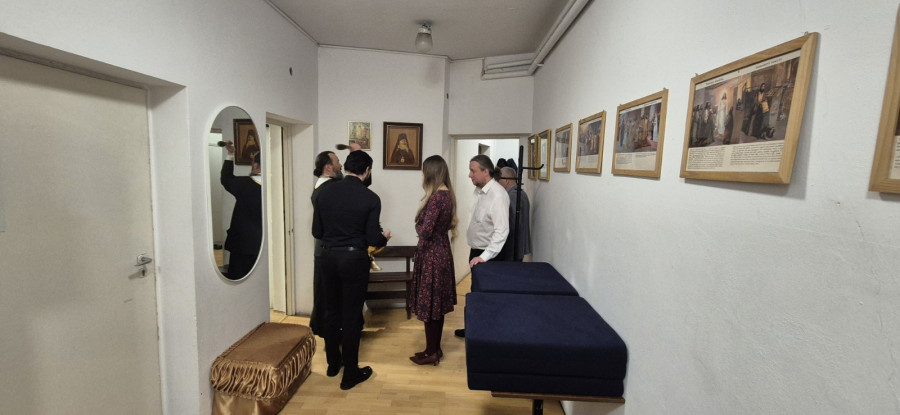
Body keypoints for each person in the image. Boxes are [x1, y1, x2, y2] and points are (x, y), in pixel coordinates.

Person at [312, 150, 391, 390]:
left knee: (331, 311)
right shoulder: (371, 198)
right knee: (351, 315)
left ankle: (332, 364)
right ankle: (350, 374)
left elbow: (317, 231)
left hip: (327, 258)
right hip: (353, 260)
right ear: (367, 171)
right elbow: (373, 238)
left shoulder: (323, 193)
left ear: (346, 168)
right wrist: (384, 238)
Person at [409, 155, 458, 365]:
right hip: (441, 251)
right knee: (435, 305)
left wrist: (417, 225)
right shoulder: (447, 195)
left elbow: (426, 231)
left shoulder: (437, 197)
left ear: (430, 173)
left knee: (430, 305)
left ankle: (431, 352)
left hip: (432, 255)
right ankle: (434, 349)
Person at [454, 155, 509, 338]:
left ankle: (487, 334)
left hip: (489, 256)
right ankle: (474, 329)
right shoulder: (480, 192)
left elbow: (501, 231)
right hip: (478, 251)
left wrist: (484, 257)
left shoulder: (498, 195)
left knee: (487, 296)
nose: (469, 175)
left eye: (473, 171)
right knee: (476, 293)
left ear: (486, 172)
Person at [309, 150, 344, 359]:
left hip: (325, 251)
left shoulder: (324, 186)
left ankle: (330, 335)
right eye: (338, 162)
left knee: (326, 295)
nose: (341, 165)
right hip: (327, 251)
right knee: (328, 296)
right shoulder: (328, 189)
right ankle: (330, 335)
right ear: (329, 167)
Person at [221, 141, 262, 280]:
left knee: (238, 279)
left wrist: (230, 154)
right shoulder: (277, 186)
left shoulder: (244, 185)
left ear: (255, 166)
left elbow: (226, 178)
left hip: (242, 244)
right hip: (265, 243)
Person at [497, 166, 531, 262]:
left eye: (499, 179)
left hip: (512, 247)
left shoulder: (512, 196)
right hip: (516, 246)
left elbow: (511, 224)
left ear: (506, 180)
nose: (498, 182)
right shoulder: (520, 193)